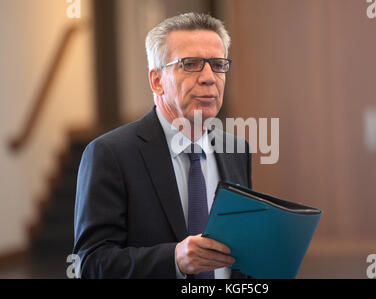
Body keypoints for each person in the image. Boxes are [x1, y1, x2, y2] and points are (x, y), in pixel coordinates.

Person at [73, 12, 252, 279]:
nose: (209, 77)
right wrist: (175, 260)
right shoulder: (110, 154)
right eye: (191, 64)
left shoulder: (237, 151)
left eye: (217, 64)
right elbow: (89, 264)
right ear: (156, 80)